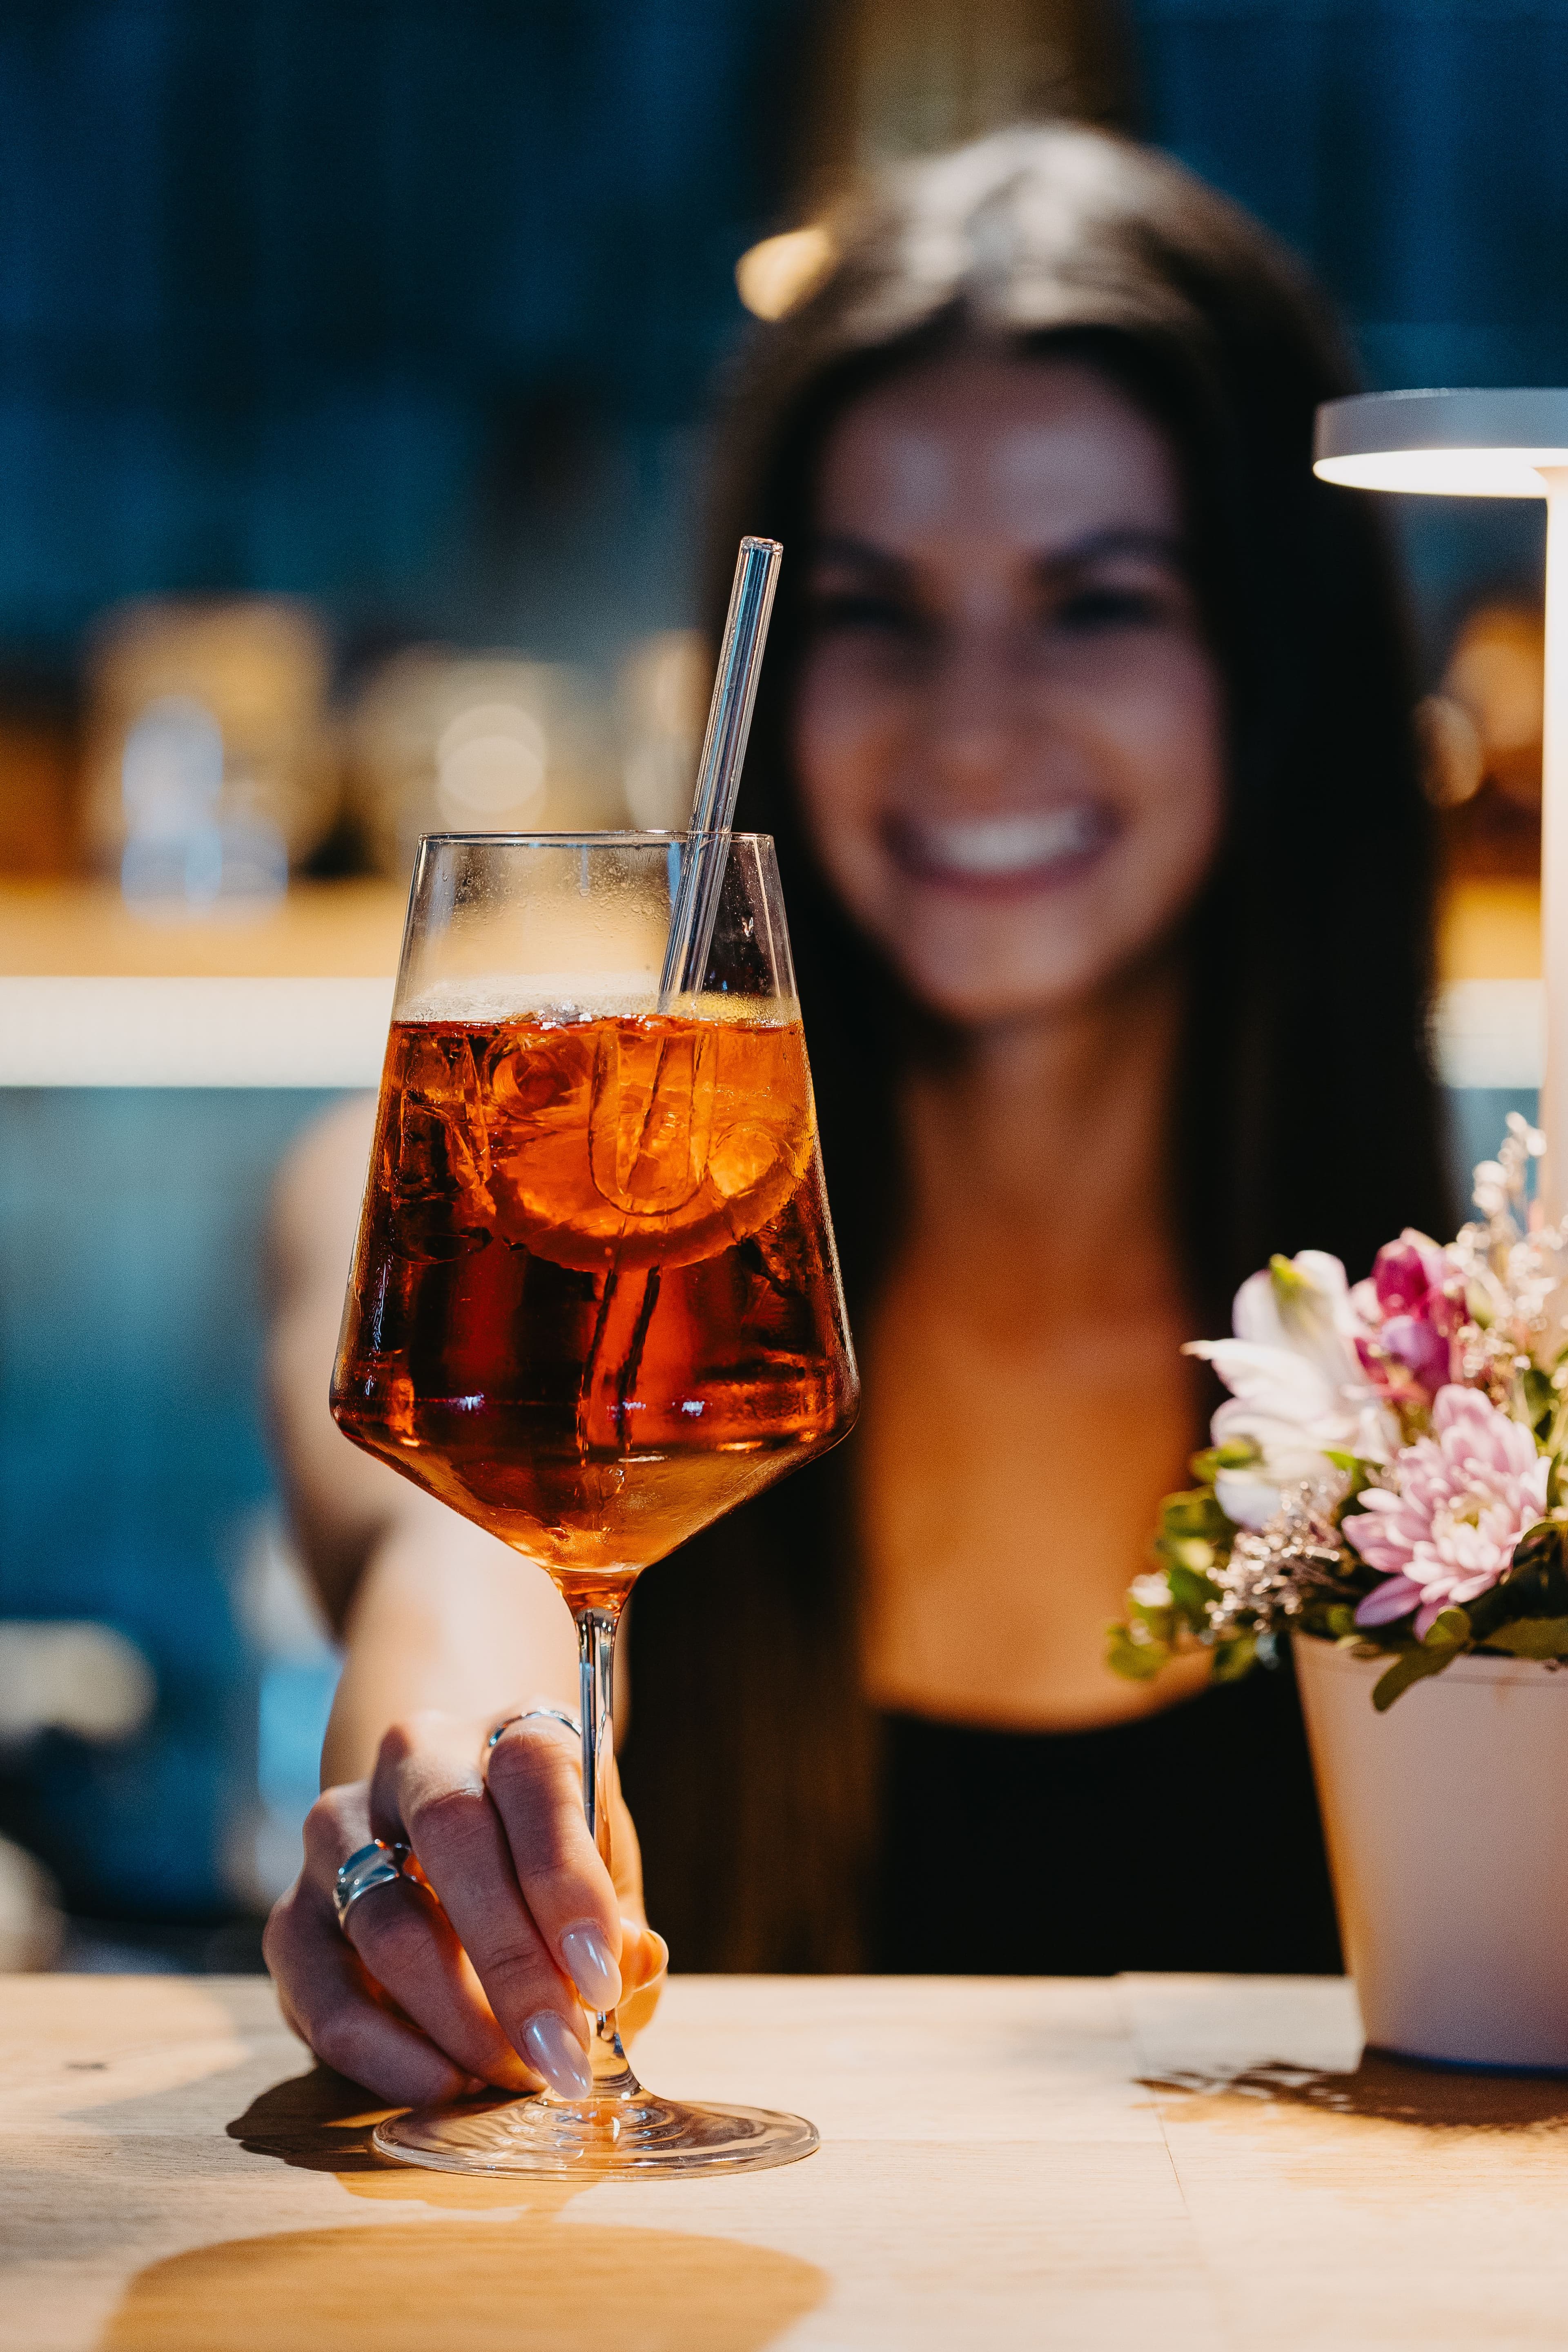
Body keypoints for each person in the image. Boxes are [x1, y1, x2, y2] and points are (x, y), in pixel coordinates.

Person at [263, 124, 1452, 2105]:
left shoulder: (1487, 1362)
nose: (971, 720)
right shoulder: (533, 1227)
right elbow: (449, 1558)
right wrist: (460, 1818)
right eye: (878, 611)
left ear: (1280, 673)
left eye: (1098, 602)